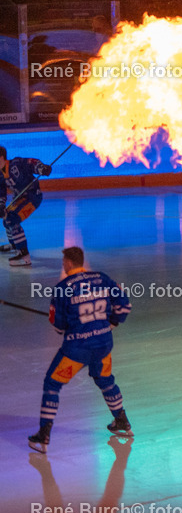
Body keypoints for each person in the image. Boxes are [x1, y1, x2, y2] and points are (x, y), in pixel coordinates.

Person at [28, 246, 133, 453]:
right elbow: (124, 306)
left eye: (63, 263)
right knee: (105, 380)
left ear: (68, 263)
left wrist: (65, 323)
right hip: (103, 344)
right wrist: (112, 322)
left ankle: (43, 435)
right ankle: (121, 420)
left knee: (52, 384)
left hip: (77, 349)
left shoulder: (62, 288)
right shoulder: (102, 278)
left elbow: (59, 326)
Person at [0, 145, 51, 266]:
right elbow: (1, 192)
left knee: (12, 219)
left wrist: (41, 168)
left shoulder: (16, 163)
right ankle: (14, 245)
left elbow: (31, 163)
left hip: (32, 197)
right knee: (6, 219)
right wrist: (1, 206)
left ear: (1, 157)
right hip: (19, 198)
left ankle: (24, 256)